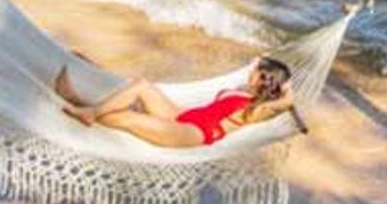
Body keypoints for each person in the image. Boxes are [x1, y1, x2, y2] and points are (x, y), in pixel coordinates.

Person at [53, 56, 305, 147]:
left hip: (193, 133)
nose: (250, 72)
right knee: (142, 85)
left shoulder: (256, 109)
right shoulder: (245, 91)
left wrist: (285, 86)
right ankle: (86, 107)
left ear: (264, 79)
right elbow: (257, 74)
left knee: (123, 117)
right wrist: (263, 64)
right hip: (184, 115)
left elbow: (286, 101)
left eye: (256, 71)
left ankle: (88, 110)